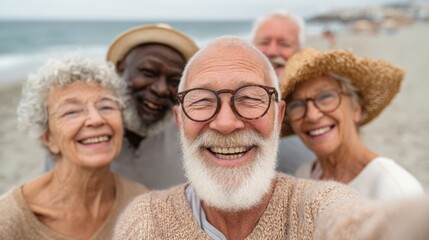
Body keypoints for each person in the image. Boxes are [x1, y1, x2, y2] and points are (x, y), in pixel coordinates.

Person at [113, 36, 429, 239]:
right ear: (180, 120)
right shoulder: (146, 220)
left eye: (250, 98)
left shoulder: (317, 203)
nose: (225, 123)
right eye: (203, 101)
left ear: (278, 118)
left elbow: (355, 224)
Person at [0, 55, 147, 239]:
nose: (96, 119)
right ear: (48, 138)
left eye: (106, 106)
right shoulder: (8, 222)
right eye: (72, 111)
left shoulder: (141, 203)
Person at [281, 48, 423, 201]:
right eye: (296, 105)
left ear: (357, 108)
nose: (312, 115)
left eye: (326, 96)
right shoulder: (304, 176)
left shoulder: (397, 190)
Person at [106, 24, 199, 189]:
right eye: (149, 73)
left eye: (173, 81)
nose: (161, 89)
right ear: (120, 69)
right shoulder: (87, 131)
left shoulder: (192, 137)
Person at [251, 10, 314, 174]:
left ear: (300, 53)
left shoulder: (316, 101)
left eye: (284, 44)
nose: (272, 51)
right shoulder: (229, 97)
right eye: (264, 42)